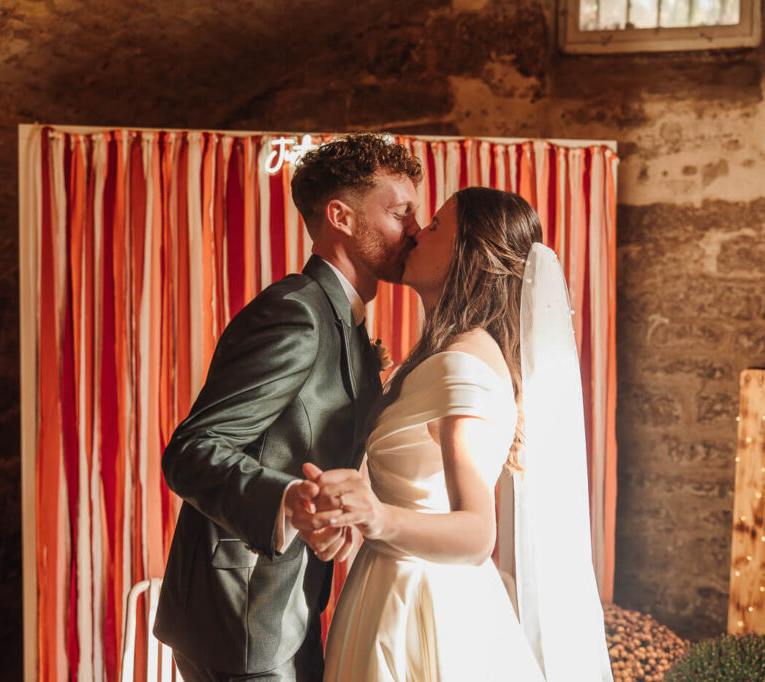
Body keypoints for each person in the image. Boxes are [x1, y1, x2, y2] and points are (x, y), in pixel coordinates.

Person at [152, 133, 423, 682]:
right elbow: (192, 450)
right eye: (400, 213)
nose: (414, 229)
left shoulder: (344, 320)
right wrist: (286, 500)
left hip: (287, 607)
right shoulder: (296, 312)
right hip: (240, 617)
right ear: (341, 217)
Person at [301, 187, 561, 681]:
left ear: (469, 254)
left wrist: (376, 517)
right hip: (388, 587)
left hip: (422, 608)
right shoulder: (445, 354)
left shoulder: (463, 363)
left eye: (436, 224)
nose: (417, 232)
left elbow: (477, 533)